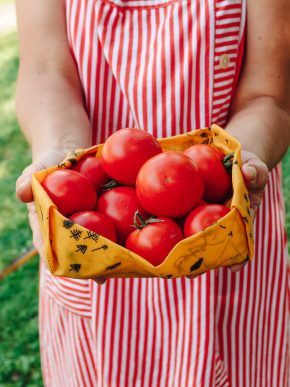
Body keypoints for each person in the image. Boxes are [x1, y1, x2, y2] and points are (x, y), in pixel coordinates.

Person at [15, 0, 290, 385]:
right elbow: (44, 69)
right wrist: (60, 154)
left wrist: (238, 166)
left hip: (222, 225)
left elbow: (269, 95)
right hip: (96, 237)